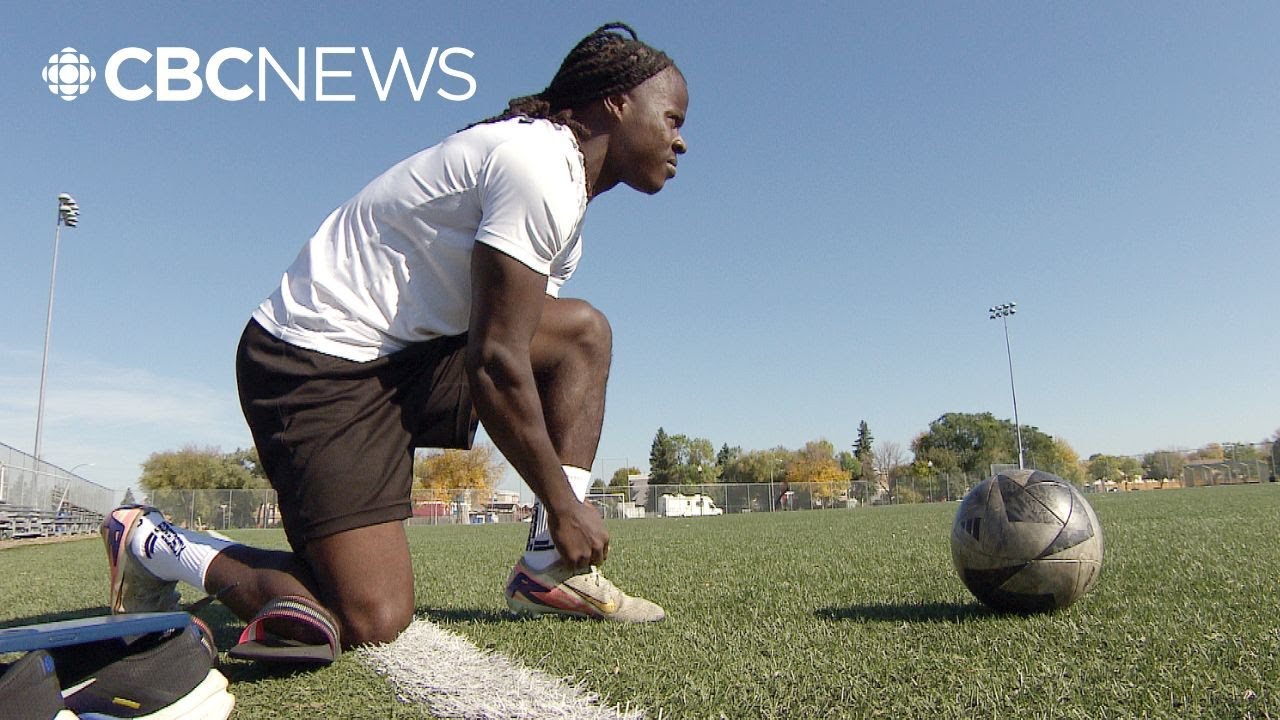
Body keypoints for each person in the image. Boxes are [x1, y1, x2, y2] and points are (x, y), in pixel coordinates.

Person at [100, 22, 689, 650]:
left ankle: (548, 569)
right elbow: (494, 363)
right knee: (368, 619)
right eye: (673, 118)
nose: (681, 142)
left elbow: (501, 339)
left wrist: (555, 510)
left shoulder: (563, 190)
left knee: (580, 334)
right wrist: (566, 504)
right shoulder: (537, 163)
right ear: (617, 102)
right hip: (312, 363)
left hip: (404, 356)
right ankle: (150, 542)